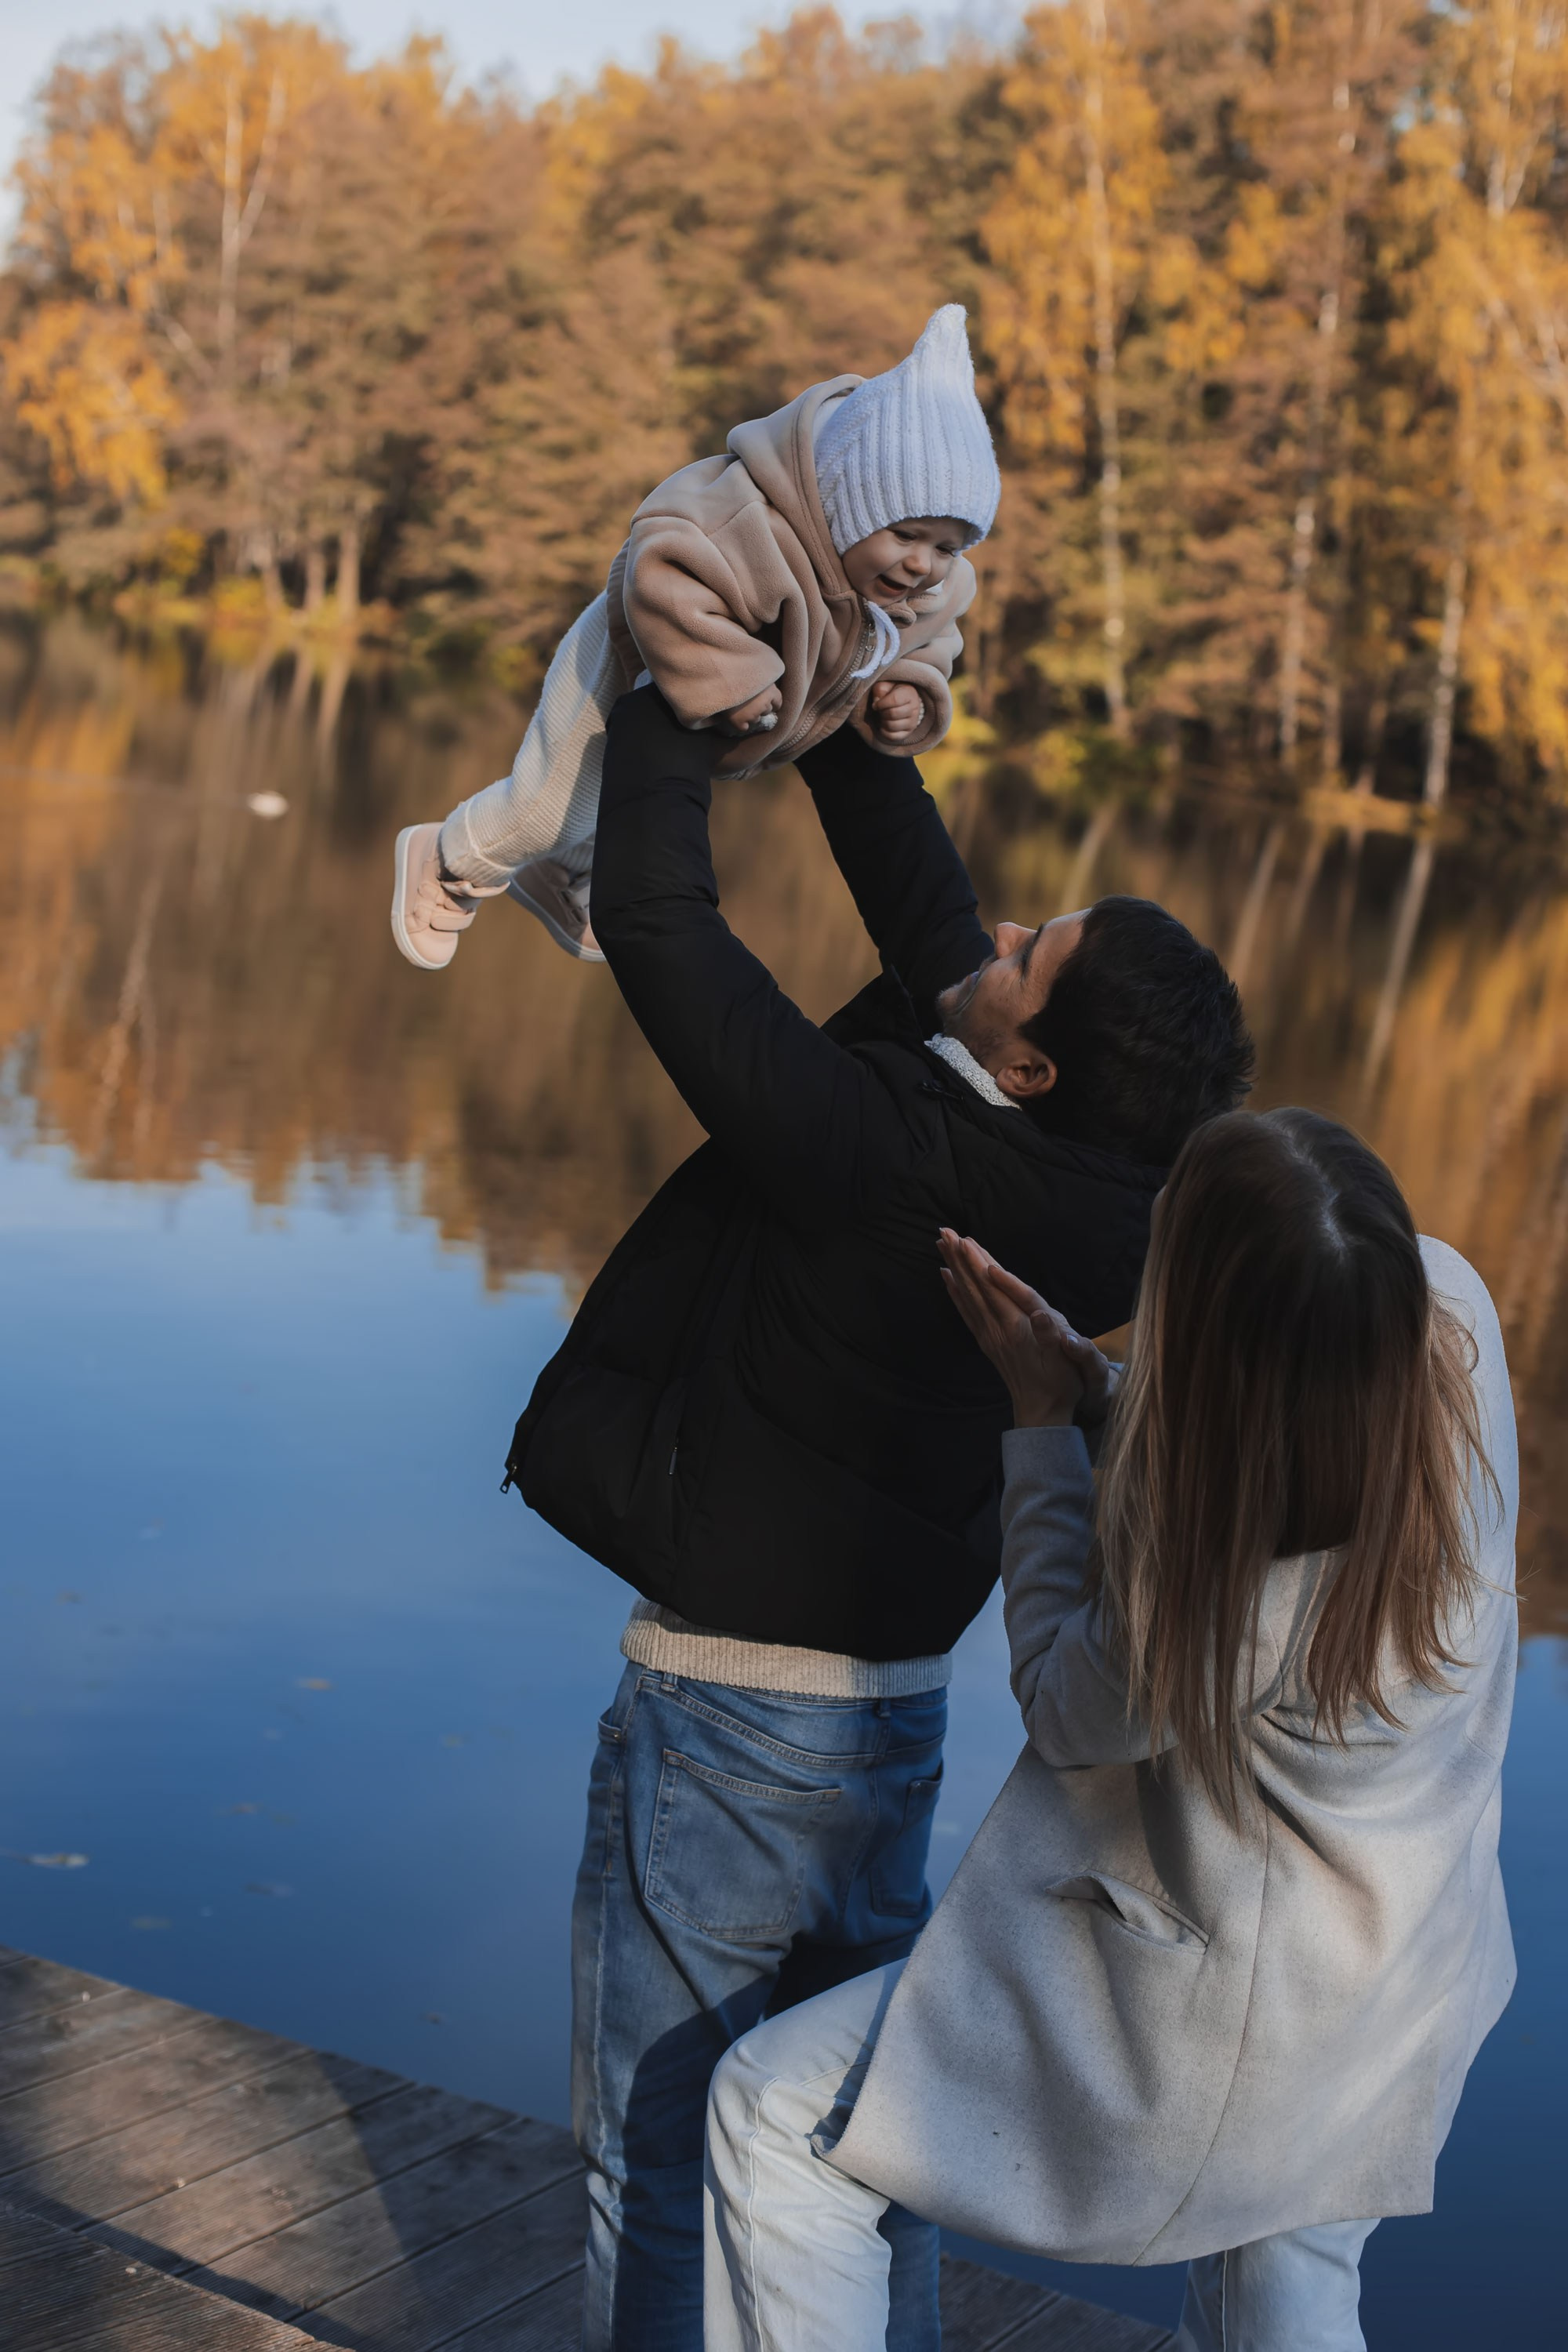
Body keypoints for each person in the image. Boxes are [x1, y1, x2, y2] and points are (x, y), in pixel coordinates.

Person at [502, 684, 1254, 2349]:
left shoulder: (876, 1159)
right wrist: (842, 712)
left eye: (1032, 944)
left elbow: (655, 920)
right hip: (896, 1724)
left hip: (726, 1723)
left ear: (1026, 1057)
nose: (999, 921)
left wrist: (662, 698)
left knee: (658, 2162)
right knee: (863, 2153)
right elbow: (937, 937)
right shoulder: (1116, 1204)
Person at [703, 1109, 1518, 2352]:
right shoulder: (1451, 1315)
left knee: (773, 2118)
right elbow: (1284, 1429)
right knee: (1287, 2283)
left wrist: (1040, 1429)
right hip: (1409, 1974)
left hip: (1249, 2019)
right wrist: (1107, 1393)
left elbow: (1068, 1700)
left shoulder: (1234, 1603)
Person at [390, 304, 1000, 969]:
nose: (922, 564)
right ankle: (447, 858)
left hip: (722, 708)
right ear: (845, 507)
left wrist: (905, 689)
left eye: (947, 546)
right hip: (630, 656)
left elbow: (929, 644)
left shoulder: (936, 588)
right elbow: (664, 570)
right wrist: (729, 676)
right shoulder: (754, 528)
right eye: (905, 535)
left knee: (618, 808)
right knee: (545, 806)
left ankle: (563, 874)